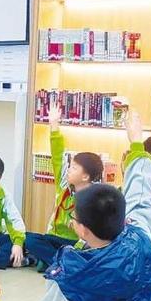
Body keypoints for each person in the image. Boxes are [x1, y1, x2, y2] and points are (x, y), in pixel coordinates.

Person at [29, 113, 151, 301]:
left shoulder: (74, 270)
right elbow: (142, 196)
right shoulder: (141, 239)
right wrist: (137, 142)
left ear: (82, 229)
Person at [24, 103, 104, 269]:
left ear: (86, 176)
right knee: (28, 238)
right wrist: (54, 126)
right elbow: (57, 157)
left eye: (74, 168)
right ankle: (59, 263)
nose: (69, 170)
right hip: (54, 238)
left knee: (84, 252)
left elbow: (93, 235)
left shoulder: (94, 199)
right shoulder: (64, 187)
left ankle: (54, 262)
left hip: (77, 243)